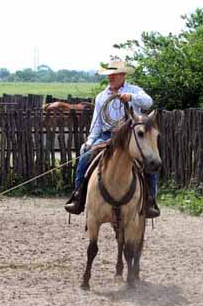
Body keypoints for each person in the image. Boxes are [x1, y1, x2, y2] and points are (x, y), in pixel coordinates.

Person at [64, 60, 160, 218]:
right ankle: (78, 197)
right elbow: (97, 123)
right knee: (85, 157)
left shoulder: (134, 90)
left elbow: (149, 102)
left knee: (149, 158)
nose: (111, 77)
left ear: (123, 75)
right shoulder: (101, 97)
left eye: (114, 74)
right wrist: (89, 141)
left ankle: (150, 200)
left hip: (131, 135)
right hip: (107, 135)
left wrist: (131, 97)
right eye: (109, 75)